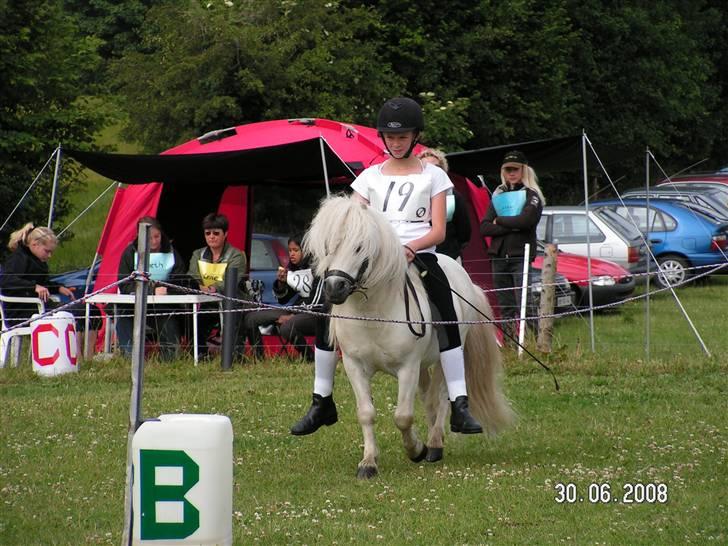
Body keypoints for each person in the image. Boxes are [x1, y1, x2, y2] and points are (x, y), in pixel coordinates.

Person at [290, 97, 483, 436]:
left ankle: (459, 402)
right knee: (325, 308)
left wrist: (410, 247)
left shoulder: (434, 176)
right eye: (390, 137)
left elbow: (438, 230)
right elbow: (353, 219)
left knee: (446, 306)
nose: (395, 143)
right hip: (376, 259)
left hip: (418, 252)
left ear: (414, 136)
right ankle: (321, 399)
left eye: (402, 136)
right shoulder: (368, 177)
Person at [0, 223, 96, 357]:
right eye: (47, 251)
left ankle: (88, 356)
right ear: (34, 244)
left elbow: (42, 283)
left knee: (90, 310)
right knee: (76, 312)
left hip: (39, 307)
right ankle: (76, 358)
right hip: (21, 311)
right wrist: (34, 287)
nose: (50, 256)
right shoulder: (18, 259)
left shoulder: (37, 259)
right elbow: (5, 281)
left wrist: (58, 288)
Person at [479, 150, 545, 339]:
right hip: (498, 256)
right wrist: (510, 224)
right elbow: (484, 227)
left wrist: (499, 221)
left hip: (520, 256)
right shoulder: (498, 195)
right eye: (508, 170)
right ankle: (509, 343)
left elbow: (526, 221)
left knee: (525, 303)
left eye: (515, 169)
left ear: (524, 170)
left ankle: (538, 341)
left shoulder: (532, 195)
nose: (511, 173)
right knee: (505, 305)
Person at [242, 234, 323, 361]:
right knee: (250, 319)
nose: (291, 254)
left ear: (306, 251)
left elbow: (317, 301)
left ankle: (310, 357)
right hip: (295, 309)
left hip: (315, 314)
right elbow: (283, 299)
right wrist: (281, 283)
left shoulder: (318, 269)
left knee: (286, 327)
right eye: (290, 250)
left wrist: (292, 316)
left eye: (296, 250)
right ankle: (259, 358)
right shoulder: (294, 268)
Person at [116, 216, 187, 360]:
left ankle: (170, 359)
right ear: (140, 237)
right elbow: (123, 284)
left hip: (165, 305)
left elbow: (181, 280)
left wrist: (167, 289)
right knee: (123, 315)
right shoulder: (130, 253)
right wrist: (151, 290)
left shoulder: (172, 252)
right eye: (149, 238)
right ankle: (130, 358)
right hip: (134, 305)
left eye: (157, 236)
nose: (154, 242)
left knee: (167, 318)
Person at [187, 213, 248, 356]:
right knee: (190, 316)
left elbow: (231, 281)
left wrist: (212, 288)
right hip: (204, 302)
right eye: (208, 233)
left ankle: (232, 355)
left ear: (225, 234)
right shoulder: (197, 254)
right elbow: (192, 275)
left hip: (231, 303)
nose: (211, 237)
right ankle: (199, 354)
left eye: (216, 233)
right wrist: (200, 287)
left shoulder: (236, 255)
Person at [417, 148, 472, 262]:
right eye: (426, 167)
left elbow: (464, 231)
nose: (431, 171)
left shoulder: (454, 196)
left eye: (436, 167)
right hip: (419, 256)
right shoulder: (411, 198)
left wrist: (453, 249)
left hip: (450, 258)